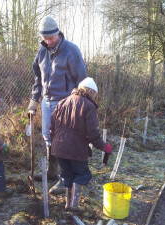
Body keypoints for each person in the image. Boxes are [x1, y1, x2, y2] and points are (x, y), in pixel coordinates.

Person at [27, 16, 87, 194]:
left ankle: (64, 178)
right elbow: (38, 79)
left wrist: (78, 105)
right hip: (46, 102)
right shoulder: (42, 52)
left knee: (63, 141)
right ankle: (51, 171)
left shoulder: (71, 51)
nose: (48, 41)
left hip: (65, 103)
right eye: (45, 38)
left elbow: (82, 81)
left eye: (51, 38)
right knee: (48, 137)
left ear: (57, 34)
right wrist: (33, 102)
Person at [50, 77, 113, 211]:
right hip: (76, 149)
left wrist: (54, 143)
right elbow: (93, 134)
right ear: (90, 91)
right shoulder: (89, 106)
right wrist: (103, 146)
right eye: (94, 94)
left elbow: (52, 126)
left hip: (58, 147)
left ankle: (68, 204)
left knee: (67, 174)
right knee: (83, 173)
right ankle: (74, 205)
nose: (94, 98)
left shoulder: (62, 102)